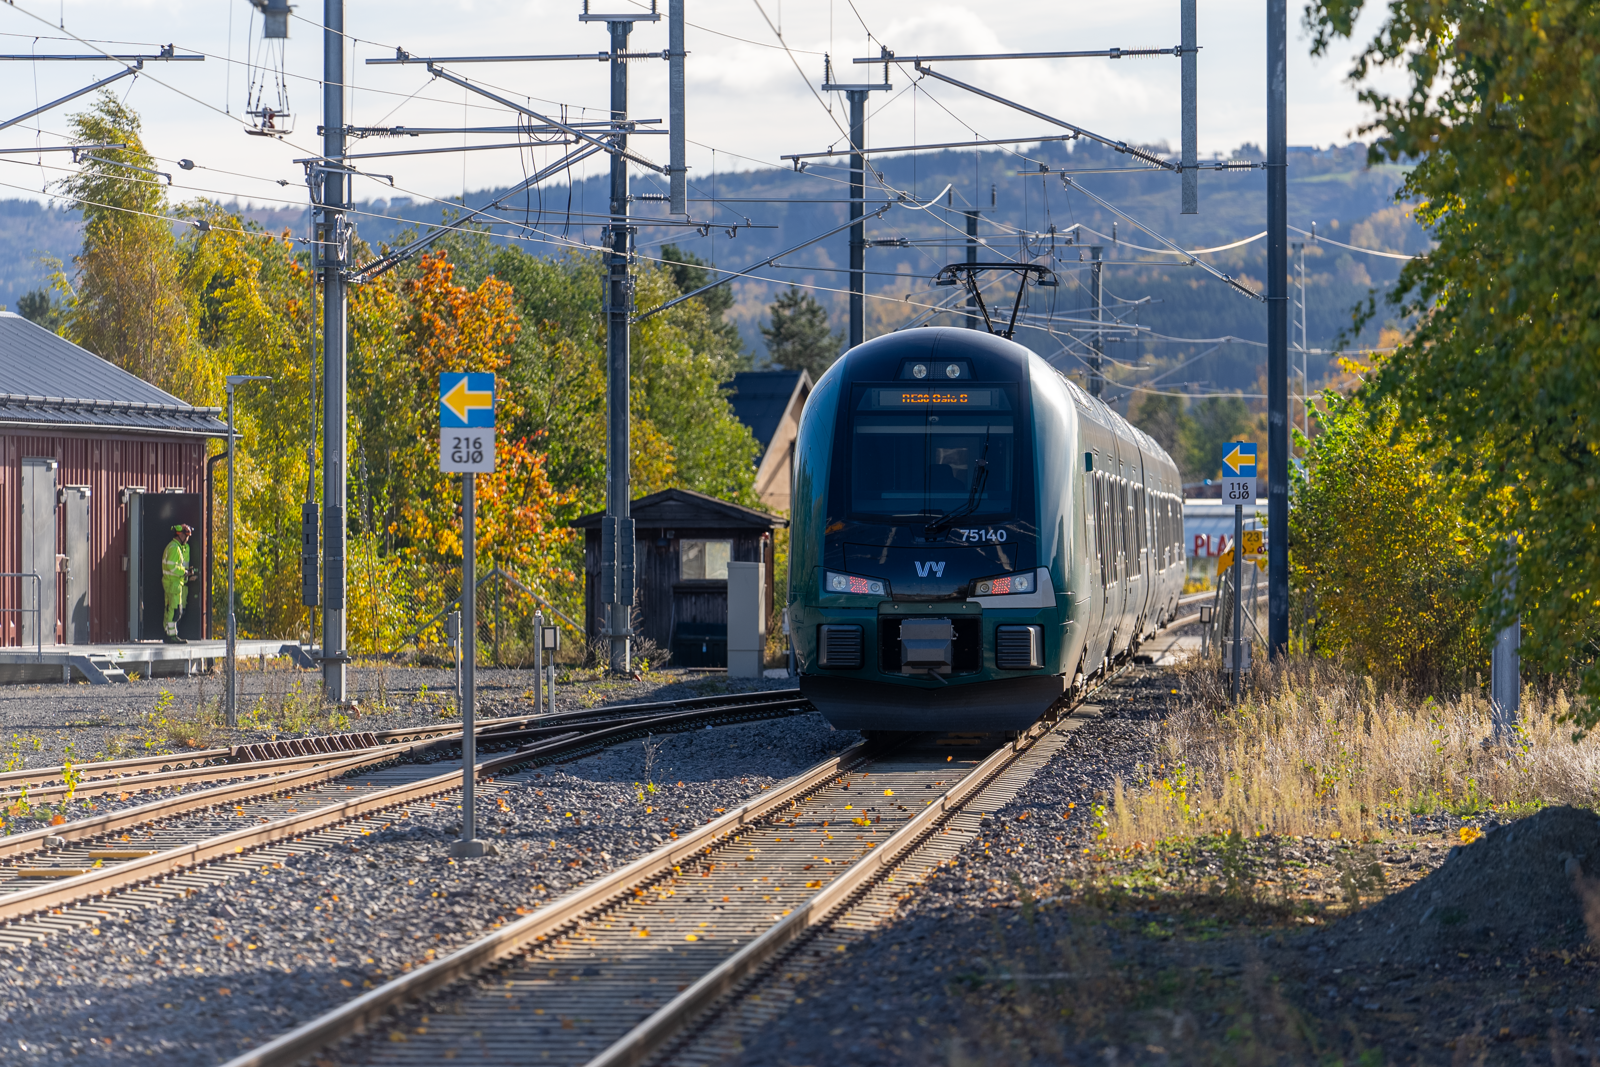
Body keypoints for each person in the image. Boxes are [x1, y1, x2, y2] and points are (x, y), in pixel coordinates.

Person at [162, 524, 196, 644]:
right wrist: (184, 572)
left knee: (170, 610)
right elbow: (172, 567)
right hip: (174, 584)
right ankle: (172, 636)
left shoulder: (171, 547)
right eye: (186, 536)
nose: (187, 539)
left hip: (171, 583)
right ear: (180, 535)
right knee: (175, 610)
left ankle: (168, 634)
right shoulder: (175, 548)